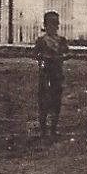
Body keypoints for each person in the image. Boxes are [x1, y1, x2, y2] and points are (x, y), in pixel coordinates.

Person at [32, 10, 71, 138]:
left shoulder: (61, 41)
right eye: (50, 24)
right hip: (45, 73)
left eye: (55, 24)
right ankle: (43, 130)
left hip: (57, 73)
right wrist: (43, 58)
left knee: (56, 102)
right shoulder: (41, 41)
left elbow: (68, 53)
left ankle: (53, 129)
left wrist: (61, 57)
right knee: (43, 101)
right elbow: (35, 54)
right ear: (45, 25)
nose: (53, 27)